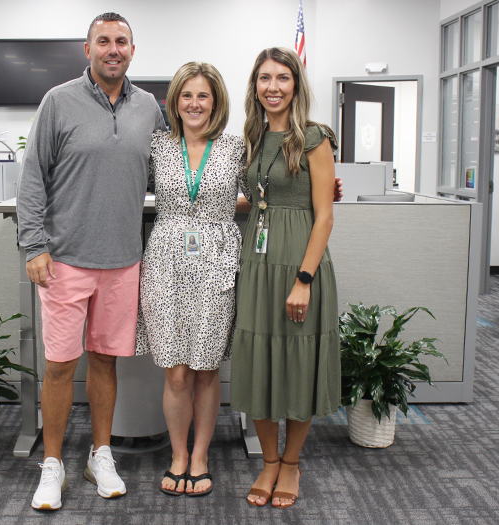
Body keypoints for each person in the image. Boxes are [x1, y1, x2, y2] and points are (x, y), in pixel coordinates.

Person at [17, 12, 165, 511]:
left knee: (104, 362)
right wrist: (33, 245)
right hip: (65, 260)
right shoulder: (58, 101)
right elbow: (32, 176)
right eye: (103, 41)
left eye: (121, 41)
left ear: (132, 49)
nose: (113, 49)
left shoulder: (148, 108)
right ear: (88, 49)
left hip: (124, 260)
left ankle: (101, 455)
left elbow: (173, 168)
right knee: (60, 366)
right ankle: (52, 465)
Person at [230, 47, 341, 509]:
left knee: (296, 364)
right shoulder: (251, 138)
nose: (272, 87)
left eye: (282, 78)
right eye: (263, 78)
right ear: (254, 85)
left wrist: (304, 279)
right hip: (256, 263)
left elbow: (324, 216)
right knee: (258, 360)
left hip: (299, 261)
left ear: (296, 84)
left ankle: (291, 464)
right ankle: (269, 461)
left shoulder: (314, 138)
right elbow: (255, 200)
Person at [136, 62, 250, 497]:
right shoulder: (158, 147)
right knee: (177, 373)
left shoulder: (235, 147)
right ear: (174, 101)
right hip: (166, 260)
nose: (194, 103)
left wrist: (320, 187)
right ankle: (178, 454)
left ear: (215, 101)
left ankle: (200, 456)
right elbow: (121, 183)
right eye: (187, 95)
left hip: (217, 261)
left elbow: (264, 191)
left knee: (206, 369)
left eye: (203, 95)